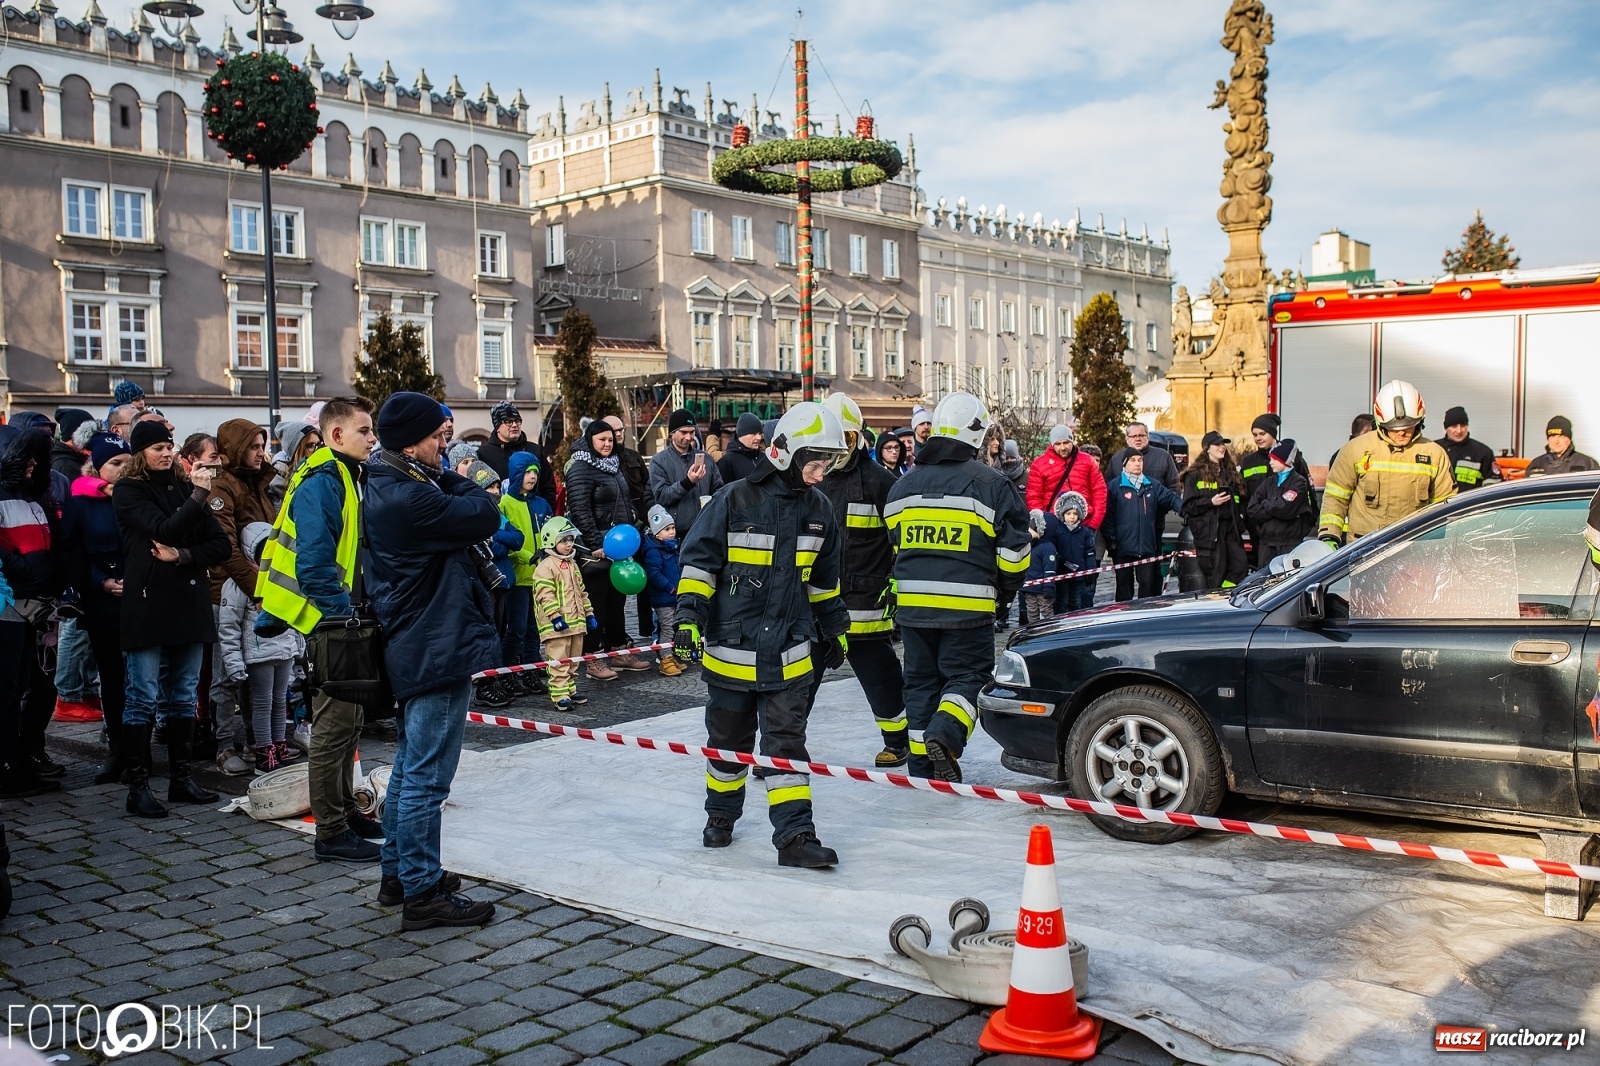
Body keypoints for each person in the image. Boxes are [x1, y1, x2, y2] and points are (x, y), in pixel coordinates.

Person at [672, 402, 850, 867]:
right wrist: (688, 618)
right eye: (815, 462)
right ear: (785, 454)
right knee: (728, 744)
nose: (820, 473)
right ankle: (721, 817)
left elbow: (824, 581)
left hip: (789, 653)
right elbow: (699, 566)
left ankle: (795, 838)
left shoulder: (820, 510)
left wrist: (835, 628)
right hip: (732, 651)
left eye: (827, 464)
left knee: (786, 746)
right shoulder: (733, 500)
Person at [365, 392, 501, 930]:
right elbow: (484, 510)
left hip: (423, 639)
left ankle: (399, 872)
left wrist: (439, 473)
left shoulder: (391, 481)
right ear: (411, 439)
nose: (445, 448)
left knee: (407, 768)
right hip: (433, 643)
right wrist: (456, 475)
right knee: (428, 775)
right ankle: (422, 892)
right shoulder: (410, 497)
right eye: (439, 438)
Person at [255, 397, 386, 863]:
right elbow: (313, 566)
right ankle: (331, 831)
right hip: (326, 621)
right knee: (332, 728)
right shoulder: (324, 480)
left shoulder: (341, 474)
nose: (373, 439)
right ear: (336, 435)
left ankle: (347, 812)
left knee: (348, 723)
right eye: (365, 430)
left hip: (330, 618)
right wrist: (343, 618)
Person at [886, 392, 1031, 783]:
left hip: (914, 611)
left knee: (919, 685)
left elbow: (895, 545)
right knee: (969, 678)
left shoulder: (904, 486)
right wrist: (1005, 595)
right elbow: (1015, 555)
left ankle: (923, 767)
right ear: (977, 436)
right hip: (968, 610)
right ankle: (945, 735)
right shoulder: (992, 485)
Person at [113, 421, 229, 817]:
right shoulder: (130, 491)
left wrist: (181, 555)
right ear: (140, 453)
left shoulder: (183, 489)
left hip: (188, 602)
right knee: (142, 697)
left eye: (168, 446)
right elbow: (163, 527)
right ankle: (138, 785)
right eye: (157, 447)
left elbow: (220, 544)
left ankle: (182, 779)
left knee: (183, 696)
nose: (165, 453)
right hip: (147, 604)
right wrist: (197, 496)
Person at [814, 394, 908, 768]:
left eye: (847, 439)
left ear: (858, 438)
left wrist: (897, 583)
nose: (840, 448)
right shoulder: (809, 478)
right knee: (798, 680)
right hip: (817, 599)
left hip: (866, 602)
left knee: (879, 675)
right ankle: (780, 751)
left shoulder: (880, 482)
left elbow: (901, 540)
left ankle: (898, 740)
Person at [62, 433, 134, 784]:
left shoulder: (136, 497)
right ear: (98, 466)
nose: (122, 470)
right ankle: (117, 749)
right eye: (114, 464)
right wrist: (100, 582)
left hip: (139, 597)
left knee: (141, 677)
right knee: (111, 677)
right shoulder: (82, 502)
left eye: (126, 463)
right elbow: (73, 550)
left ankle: (140, 750)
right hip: (102, 599)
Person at [0, 424, 63, 798]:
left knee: (24, 687)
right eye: (26, 458)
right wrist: (22, 571)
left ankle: (19, 760)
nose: (32, 466)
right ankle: (7, 768)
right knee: (6, 692)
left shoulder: (32, 499)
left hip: (33, 608)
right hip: (8, 606)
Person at [208, 418, 275, 756]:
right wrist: (259, 590)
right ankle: (223, 745)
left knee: (258, 672)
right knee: (226, 674)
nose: (261, 453)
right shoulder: (222, 487)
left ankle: (257, 740)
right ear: (235, 449)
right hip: (228, 594)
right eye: (253, 446)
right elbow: (226, 549)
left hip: (259, 594)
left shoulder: (258, 484)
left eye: (262, 446)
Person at [1320, 380, 1455, 545]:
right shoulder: (1355, 450)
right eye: (1394, 428)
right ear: (1380, 423)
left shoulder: (1434, 454)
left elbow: (1445, 506)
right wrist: (1329, 536)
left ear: (1420, 422)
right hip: (1364, 549)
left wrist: (1441, 544)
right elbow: (1335, 497)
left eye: (1408, 426)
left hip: (1413, 549)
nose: (1402, 432)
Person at [566, 419, 651, 678]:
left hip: (619, 547)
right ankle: (592, 659)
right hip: (597, 550)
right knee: (596, 605)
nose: (607, 444)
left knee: (618, 603)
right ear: (590, 440)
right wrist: (594, 544)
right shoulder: (580, 468)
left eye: (610, 440)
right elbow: (580, 510)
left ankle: (618, 651)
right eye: (602, 439)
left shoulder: (613, 466)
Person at [219, 523, 305, 774]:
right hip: (260, 654)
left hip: (283, 651)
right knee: (262, 703)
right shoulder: (239, 586)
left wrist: (297, 646)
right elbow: (228, 626)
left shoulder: (280, 580)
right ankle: (263, 750)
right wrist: (234, 661)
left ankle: (278, 745)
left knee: (280, 702)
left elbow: (292, 616)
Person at [491, 451, 551, 703]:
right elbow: (507, 540)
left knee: (533, 629)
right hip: (519, 576)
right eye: (527, 472)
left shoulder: (541, 504)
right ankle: (506, 672)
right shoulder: (506, 503)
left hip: (540, 576)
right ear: (517, 474)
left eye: (535, 472)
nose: (532, 477)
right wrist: (529, 555)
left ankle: (530, 669)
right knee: (515, 629)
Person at [531, 517, 596, 709]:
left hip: (576, 622)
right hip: (556, 625)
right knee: (558, 659)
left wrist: (589, 613)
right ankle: (559, 695)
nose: (569, 545)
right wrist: (555, 617)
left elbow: (581, 592)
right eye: (563, 541)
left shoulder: (572, 564)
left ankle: (570, 689)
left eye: (570, 540)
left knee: (574, 659)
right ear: (551, 541)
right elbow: (545, 594)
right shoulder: (546, 566)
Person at [1105, 452, 1183, 601]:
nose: (1137, 463)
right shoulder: (1114, 486)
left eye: (1140, 460)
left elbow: (1171, 498)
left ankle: (1144, 619)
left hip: (1146, 546)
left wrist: (1186, 511)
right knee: (1123, 587)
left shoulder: (1152, 485)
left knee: (1147, 586)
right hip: (1122, 547)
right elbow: (1107, 516)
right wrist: (1111, 540)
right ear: (1124, 464)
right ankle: (1123, 619)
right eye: (1133, 460)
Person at [1181, 431, 1249, 590]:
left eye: (1223, 444)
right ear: (1207, 449)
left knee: (1240, 567)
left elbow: (1242, 498)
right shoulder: (1194, 475)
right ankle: (1217, 599)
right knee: (1216, 572)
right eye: (1217, 444)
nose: (1222, 447)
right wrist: (1211, 502)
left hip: (1230, 529)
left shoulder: (1231, 474)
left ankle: (1225, 591)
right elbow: (1188, 507)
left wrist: (1240, 515)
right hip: (1210, 532)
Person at [650, 408, 725, 540]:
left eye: (692, 432)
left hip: (705, 531)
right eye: (683, 432)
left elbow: (719, 490)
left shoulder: (706, 458)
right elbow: (662, 497)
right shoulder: (659, 461)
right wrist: (687, 483)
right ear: (672, 433)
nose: (688, 437)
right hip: (676, 535)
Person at [1025, 425, 1108, 532]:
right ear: (1052, 444)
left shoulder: (1087, 461)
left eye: (1066, 443)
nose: (1063, 447)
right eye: (1058, 444)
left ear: (1072, 442)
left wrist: (1093, 524)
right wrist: (1045, 523)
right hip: (1053, 525)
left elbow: (1099, 492)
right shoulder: (1039, 464)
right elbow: (1034, 497)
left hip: (1084, 524)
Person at [1247, 439, 1315, 569]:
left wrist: (1265, 503)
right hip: (1266, 546)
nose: (1270, 462)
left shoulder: (1299, 482)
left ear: (1284, 460)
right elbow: (1252, 509)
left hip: (1289, 544)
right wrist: (1274, 506)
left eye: (1274, 459)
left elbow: (1285, 508)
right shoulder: (1268, 483)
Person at [477, 400, 556, 510]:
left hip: (534, 515)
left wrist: (546, 512)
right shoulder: (484, 454)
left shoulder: (534, 450)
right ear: (497, 427)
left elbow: (548, 486)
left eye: (517, 421)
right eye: (508, 421)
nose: (514, 425)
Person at [641, 505, 684, 677]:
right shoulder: (653, 551)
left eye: (673, 528)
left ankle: (671, 656)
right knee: (666, 628)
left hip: (674, 596)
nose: (672, 532)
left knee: (673, 626)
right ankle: (665, 659)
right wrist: (670, 587)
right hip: (664, 597)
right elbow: (654, 574)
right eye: (667, 529)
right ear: (657, 533)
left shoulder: (672, 547)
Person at [1052, 492, 1098, 613]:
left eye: (1075, 514)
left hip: (1079, 574)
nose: (1072, 517)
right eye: (1068, 513)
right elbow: (1052, 550)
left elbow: (1089, 552)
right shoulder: (1057, 531)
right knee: (1062, 602)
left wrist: (1091, 570)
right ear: (1062, 514)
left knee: (1076, 602)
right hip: (1061, 574)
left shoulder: (1085, 532)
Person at [1104, 422, 1180, 493]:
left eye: (1141, 435)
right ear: (1127, 438)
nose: (1138, 439)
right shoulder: (1116, 459)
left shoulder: (1163, 457)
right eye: (1133, 436)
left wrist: (1167, 504)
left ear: (1147, 436)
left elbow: (1174, 485)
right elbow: (1109, 487)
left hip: (1158, 506)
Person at [1436, 407, 1500, 491]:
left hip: (1471, 503)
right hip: (1441, 503)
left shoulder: (1483, 452)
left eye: (1462, 425)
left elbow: (1494, 485)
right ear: (1446, 427)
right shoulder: (1435, 449)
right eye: (1454, 426)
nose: (1459, 431)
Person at [1526, 416, 1599, 477]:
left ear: (1569, 439)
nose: (1556, 441)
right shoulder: (1536, 464)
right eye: (1553, 436)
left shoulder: (1587, 463)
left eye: (1561, 436)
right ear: (1548, 439)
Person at [717, 412, 766, 484]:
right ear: (741, 435)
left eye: (760, 433)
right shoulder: (728, 461)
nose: (758, 438)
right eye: (753, 434)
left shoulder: (763, 458)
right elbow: (722, 491)